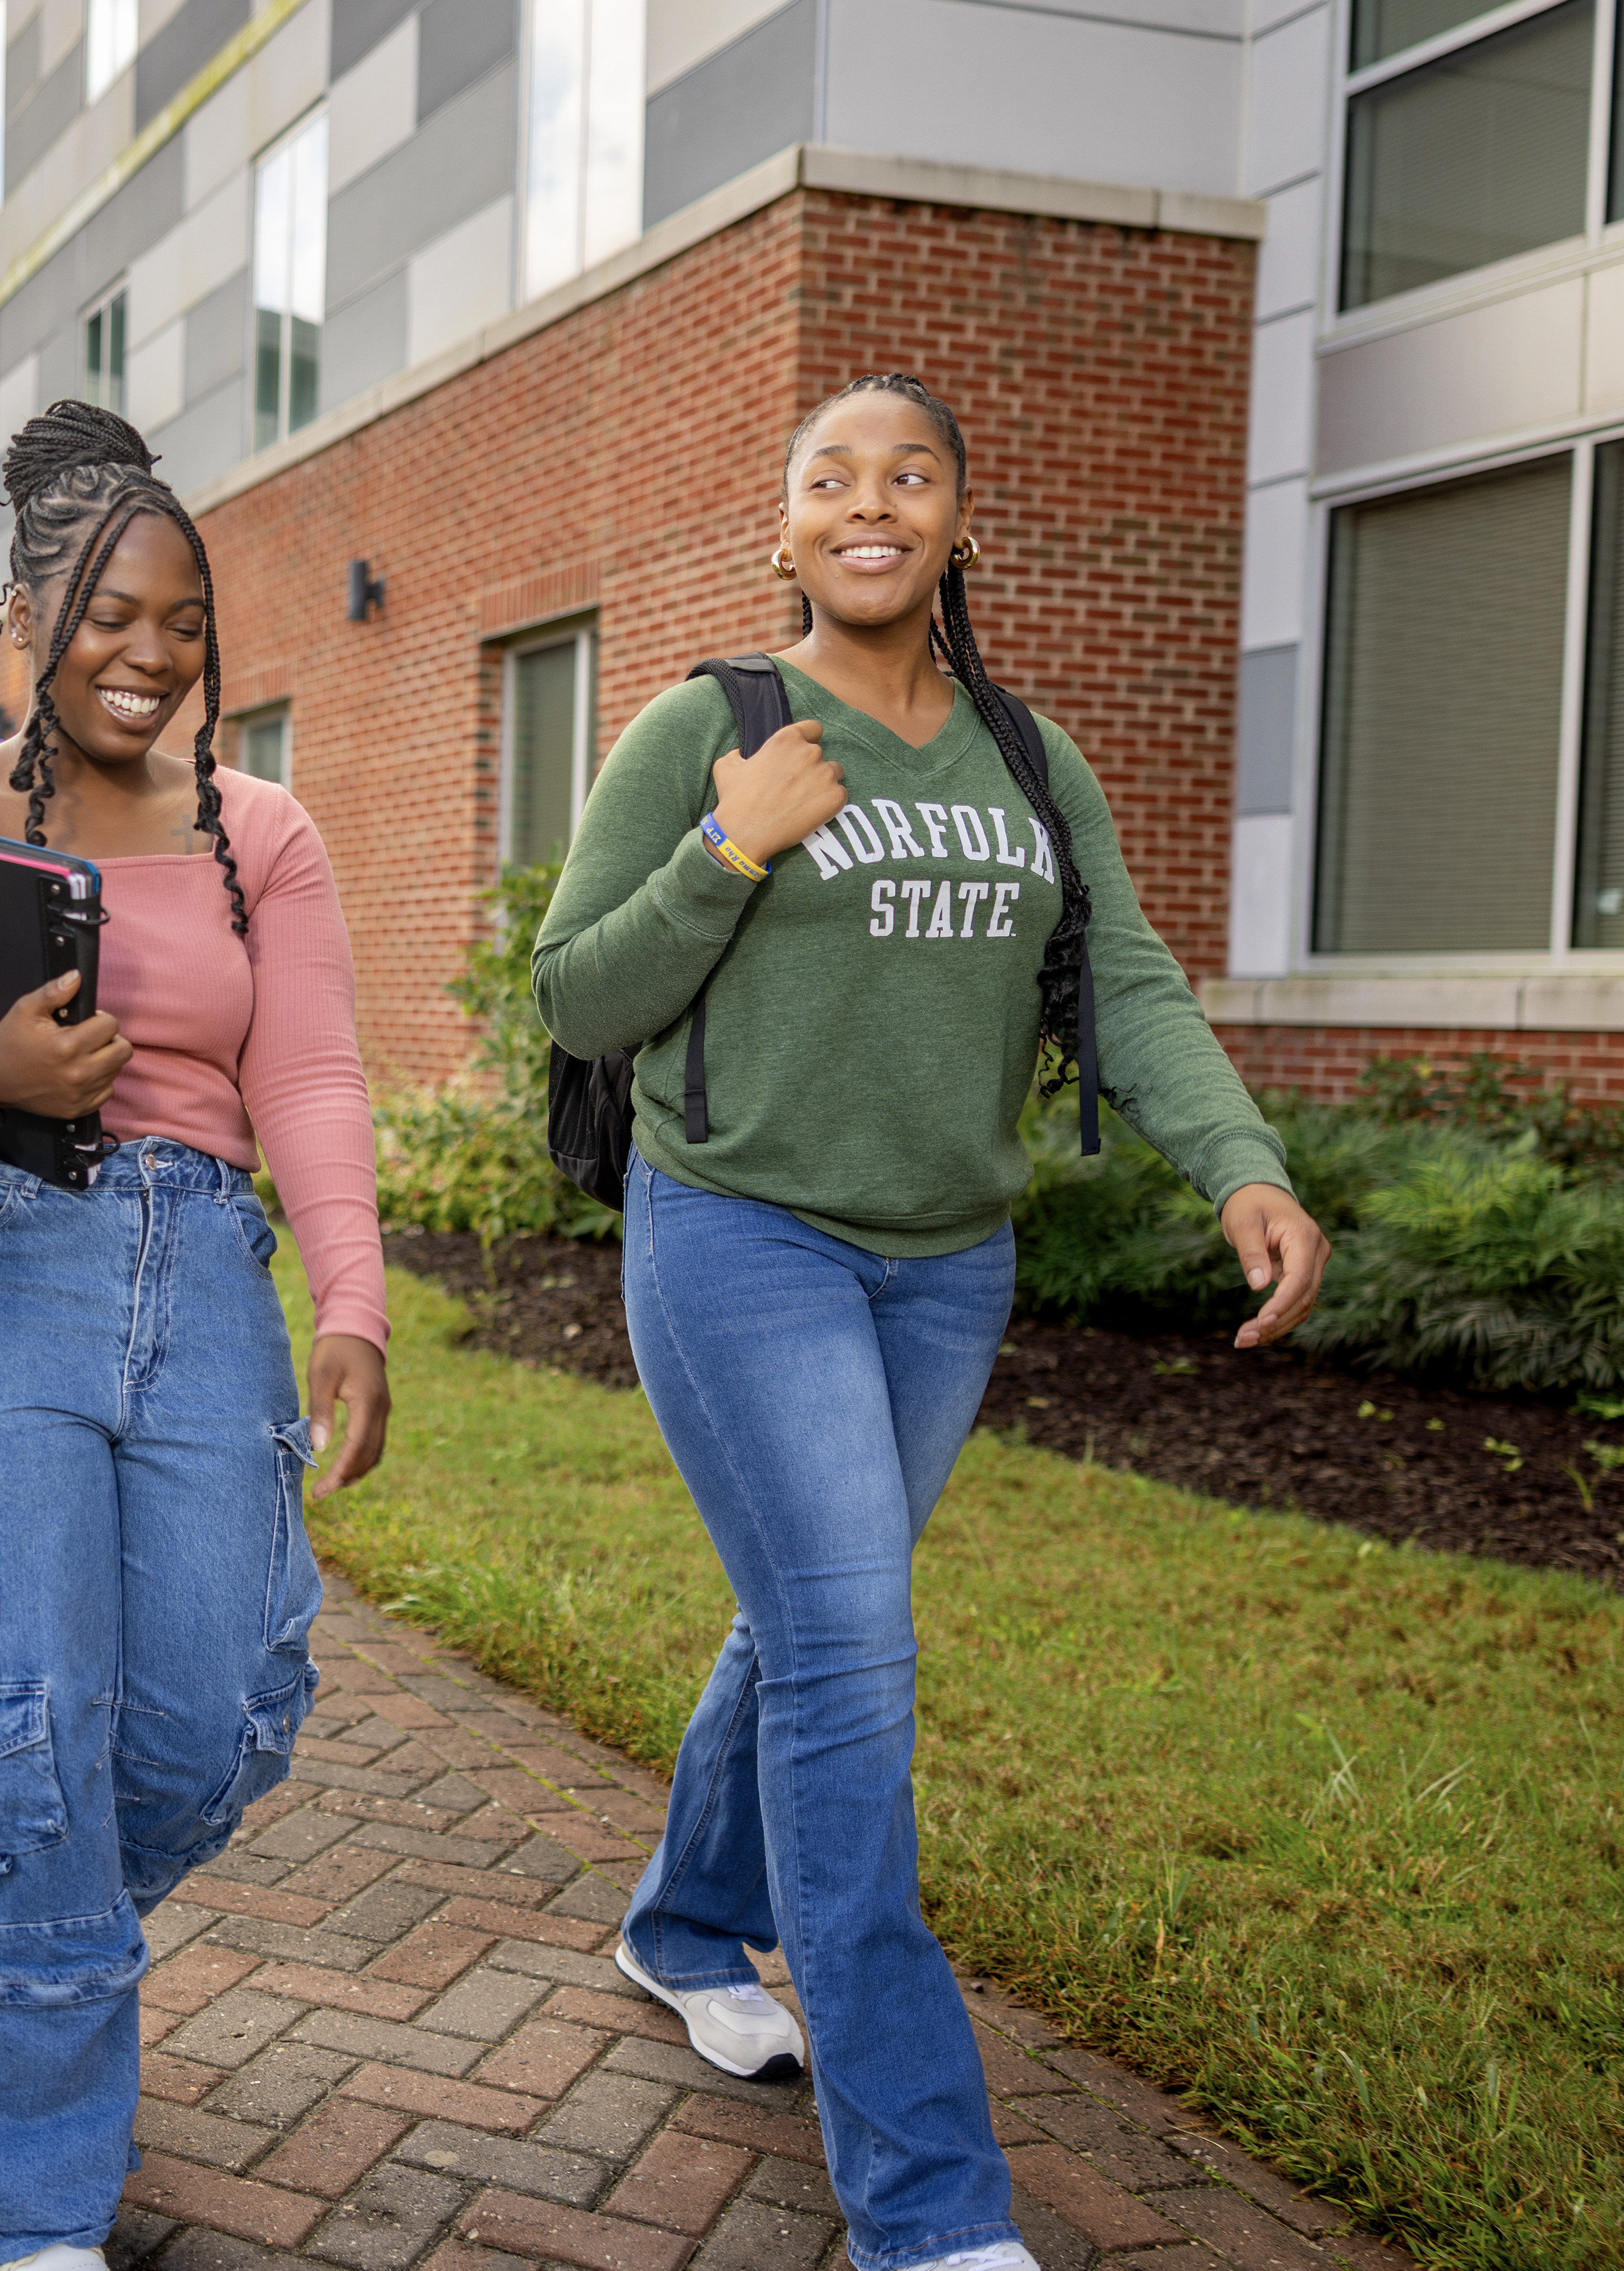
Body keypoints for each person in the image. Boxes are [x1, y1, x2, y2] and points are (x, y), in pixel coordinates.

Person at [533, 374, 1329, 2271]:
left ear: (962, 522)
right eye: (830, 478)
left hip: (946, 1263)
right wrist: (726, 851)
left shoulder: (1028, 759)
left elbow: (1121, 985)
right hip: (740, 1234)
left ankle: (680, 1919)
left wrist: (1241, 1163)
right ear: (788, 524)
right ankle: (928, 2204)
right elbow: (575, 995)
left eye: (908, 477)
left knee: (816, 1616)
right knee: (853, 1655)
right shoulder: (707, 725)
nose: (868, 504)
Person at [0, 401, 392, 2271]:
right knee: (17, 1728)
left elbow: (305, 1069)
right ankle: (28, 2217)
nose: (148, 656)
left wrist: (353, 1301)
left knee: (220, 1700)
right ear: (22, 617)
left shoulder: (268, 831)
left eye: (182, 624)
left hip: (203, 1273)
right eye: (106, 616)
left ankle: (19, 1909)